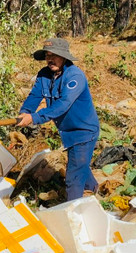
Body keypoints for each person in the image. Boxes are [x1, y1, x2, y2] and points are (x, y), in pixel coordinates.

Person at [17, 38, 100, 202]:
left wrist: (34, 118)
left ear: (64, 57)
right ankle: (93, 191)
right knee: (80, 165)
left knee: (73, 178)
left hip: (84, 132)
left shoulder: (75, 76)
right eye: (47, 55)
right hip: (67, 132)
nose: (50, 59)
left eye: (54, 55)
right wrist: (25, 112)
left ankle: (72, 210)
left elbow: (63, 104)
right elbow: (34, 96)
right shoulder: (44, 75)